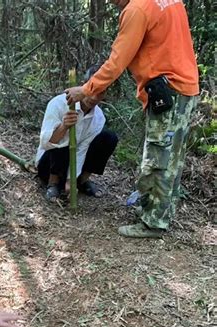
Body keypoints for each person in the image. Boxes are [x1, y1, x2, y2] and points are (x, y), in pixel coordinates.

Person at [66, 0, 199, 238]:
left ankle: (153, 223)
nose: (113, 3)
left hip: (168, 89)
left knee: (158, 157)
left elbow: (117, 61)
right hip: (184, 87)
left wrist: (87, 89)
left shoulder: (137, 9)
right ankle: (157, 211)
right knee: (172, 158)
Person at [36, 66, 118, 201]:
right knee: (65, 140)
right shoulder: (59, 103)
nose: (93, 97)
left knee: (108, 138)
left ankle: (82, 181)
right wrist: (64, 127)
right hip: (49, 165)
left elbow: (82, 149)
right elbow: (45, 143)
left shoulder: (98, 118)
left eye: (100, 92)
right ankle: (53, 183)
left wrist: (71, 180)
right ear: (84, 85)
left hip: (73, 166)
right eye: (91, 89)